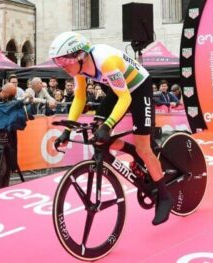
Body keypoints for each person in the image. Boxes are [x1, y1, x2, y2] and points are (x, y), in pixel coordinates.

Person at [50, 32, 171, 226]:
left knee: (143, 147)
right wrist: (67, 130)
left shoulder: (105, 61)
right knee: (98, 134)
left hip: (138, 88)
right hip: (118, 90)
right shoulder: (79, 70)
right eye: (58, 63)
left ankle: (164, 197)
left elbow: (126, 98)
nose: (62, 67)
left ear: (80, 56)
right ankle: (132, 151)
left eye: (64, 62)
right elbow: (80, 98)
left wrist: (109, 125)